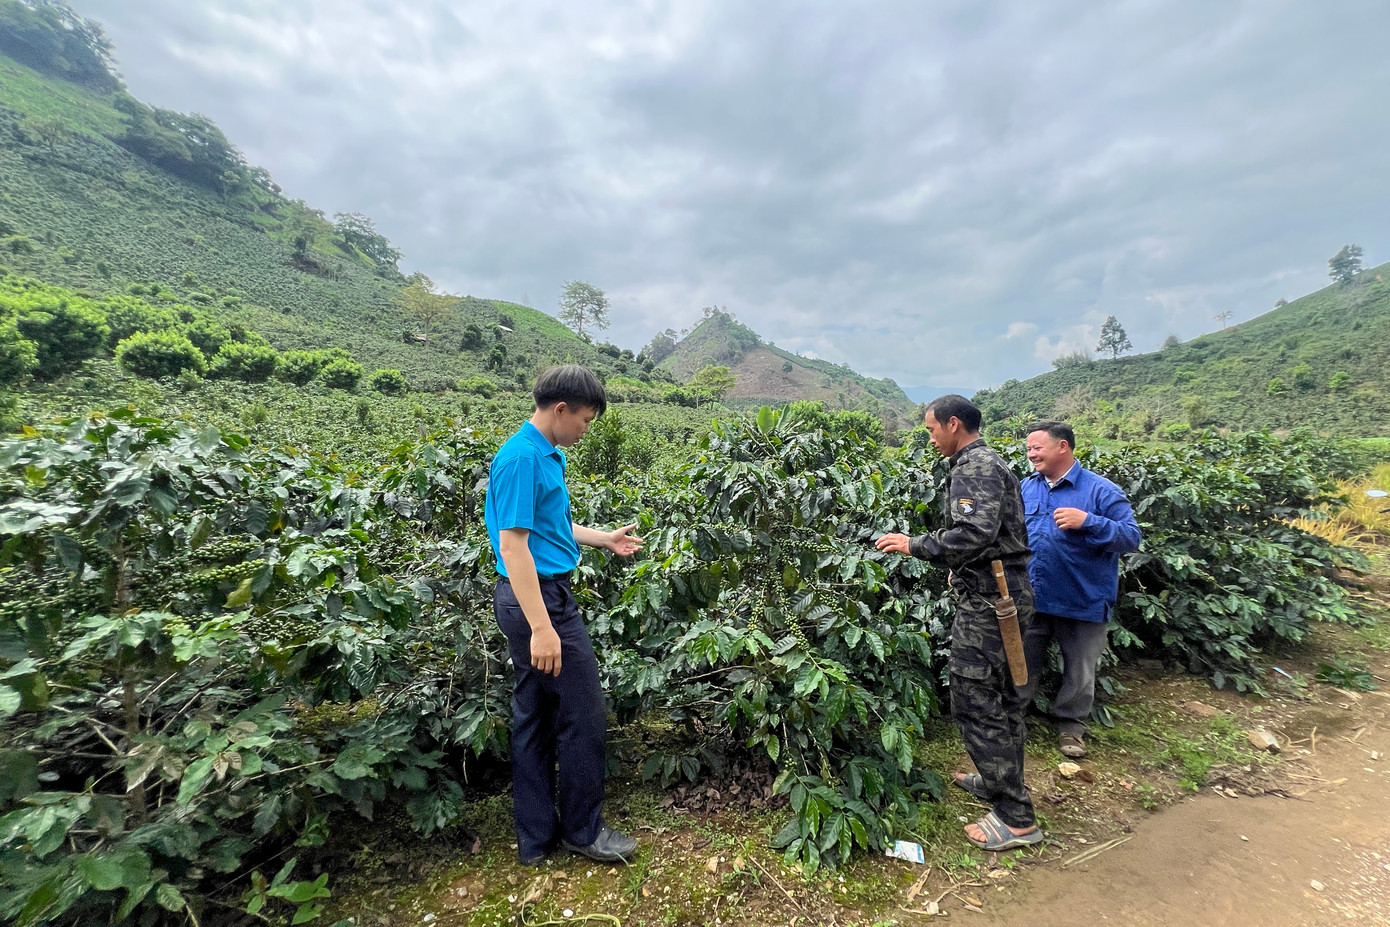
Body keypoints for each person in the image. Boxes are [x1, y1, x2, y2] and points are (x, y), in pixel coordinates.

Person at [484, 365, 644, 866]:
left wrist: (604, 538)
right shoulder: (522, 459)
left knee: (534, 717)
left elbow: (549, 526)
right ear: (560, 410)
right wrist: (542, 628)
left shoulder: (543, 456)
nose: (586, 430)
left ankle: (536, 840)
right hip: (537, 599)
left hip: (537, 596)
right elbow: (514, 548)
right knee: (584, 714)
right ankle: (583, 830)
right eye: (586, 420)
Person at [876, 395, 1042, 851]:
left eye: (932, 430)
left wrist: (915, 544)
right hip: (999, 590)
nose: (930, 438)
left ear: (953, 424)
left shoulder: (974, 466)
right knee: (1003, 696)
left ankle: (1016, 816)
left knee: (975, 698)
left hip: (993, 603)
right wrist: (962, 566)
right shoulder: (986, 462)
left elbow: (973, 533)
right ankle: (999, 781)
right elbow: (991, 539)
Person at [1019, 421, 1141, 758]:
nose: (1031, 454)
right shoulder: (1025, 488)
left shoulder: (1101, 491)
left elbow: (1131, 536)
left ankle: (1071, 728)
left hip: (1083, 598)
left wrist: (1088, 521)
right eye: (1028, 449)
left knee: (1080, 670)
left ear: (1063, 447)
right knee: (1022, 664)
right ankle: (1014, 720)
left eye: (1037, 447)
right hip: (1034, 597)